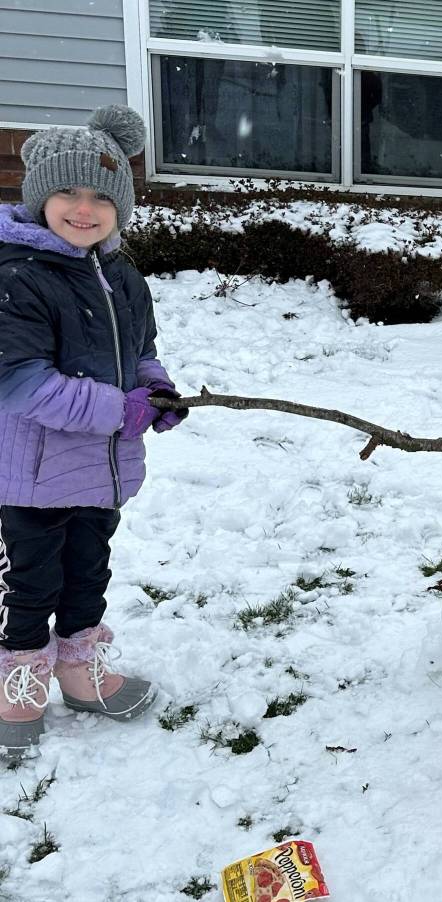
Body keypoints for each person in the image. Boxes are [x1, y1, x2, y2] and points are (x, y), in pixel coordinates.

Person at [0, 104, 188, 759]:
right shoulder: (18, 277)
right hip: (32, 474)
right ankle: (19, 684)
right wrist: (123, 410)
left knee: (88, 575)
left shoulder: (123, 277)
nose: (84, 209)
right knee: (30, 584)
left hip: (100, 471)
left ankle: (82, 673)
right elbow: (24, 385)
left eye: (100, 196)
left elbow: (140, 351)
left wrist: (156, 388)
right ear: (38, 199)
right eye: (66, 193)